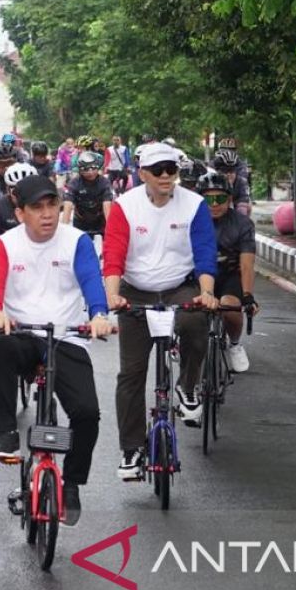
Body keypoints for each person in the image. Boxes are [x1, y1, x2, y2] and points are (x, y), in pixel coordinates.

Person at [0, 175, 113, 525]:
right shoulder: (5, 245)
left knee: (87, 413)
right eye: (37, 208)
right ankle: (6, 433)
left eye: (52, 205)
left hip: (66, 336)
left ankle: (71, 483)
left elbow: (91, 281)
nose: (47, 215)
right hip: (23, 333)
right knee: (0, 349)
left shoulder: (77, 241)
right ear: (20, 212)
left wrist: (99, 315)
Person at [103, 142, 217, 481]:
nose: (166, 176)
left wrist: (208, 293)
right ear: (143, 174)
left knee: (197, 321)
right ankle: (132, 449)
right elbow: (113, 255)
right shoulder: (125, 206)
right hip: (135, 293)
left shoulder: (195, 205)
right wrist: (113, 296)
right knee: (131, 374)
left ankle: (188, 386)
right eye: (158, 170)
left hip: (179, 287)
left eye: (172, 169)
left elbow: (205, 253)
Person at [197, 171, 259, 372]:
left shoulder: (243, 224)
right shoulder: (189, 221)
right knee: (189, 314)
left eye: (220, 198)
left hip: (230, 274)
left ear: (230, 199)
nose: (214, 204)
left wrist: (248, 296)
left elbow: (247, 264)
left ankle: (234, 344)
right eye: (209, 199)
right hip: (196, 276)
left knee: (230, 307)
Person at [62, 151, 114, 252]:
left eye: (93, 168)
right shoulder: (74, 183)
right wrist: (63, 230)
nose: (90, 172)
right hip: (81, 224)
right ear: (80, 170)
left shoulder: (104, 182)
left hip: (100, 223)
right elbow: (67, 206)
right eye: (85, 169)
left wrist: (111, 229)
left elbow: (107, 206)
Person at [0, 162, 37, 245]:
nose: (21, 194)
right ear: (7, 189)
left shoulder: (44, 204)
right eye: (15, 190)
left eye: (27, 189)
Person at [212, 152, 252, 217]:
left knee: (247, 206)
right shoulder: (212, 182)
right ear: (217, 171)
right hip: (216, 211)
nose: (228, 174)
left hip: (236, 206)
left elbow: (243, 199)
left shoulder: (241, 182)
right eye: (224, 170)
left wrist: (241, 220)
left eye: (232, 171)